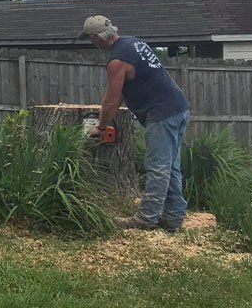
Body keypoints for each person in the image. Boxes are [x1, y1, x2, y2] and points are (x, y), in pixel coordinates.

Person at [81, 15, 190, 231]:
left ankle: (146, 219)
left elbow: (112, 99)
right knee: (171, 167)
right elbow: (123, 91)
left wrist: (101, 127)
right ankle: (173, 218)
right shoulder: (134, 42)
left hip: (162, 113)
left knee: (157, 166)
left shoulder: (117, 61)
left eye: (91, 39)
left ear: (97, 38)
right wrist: (109, 114)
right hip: (178, 107)